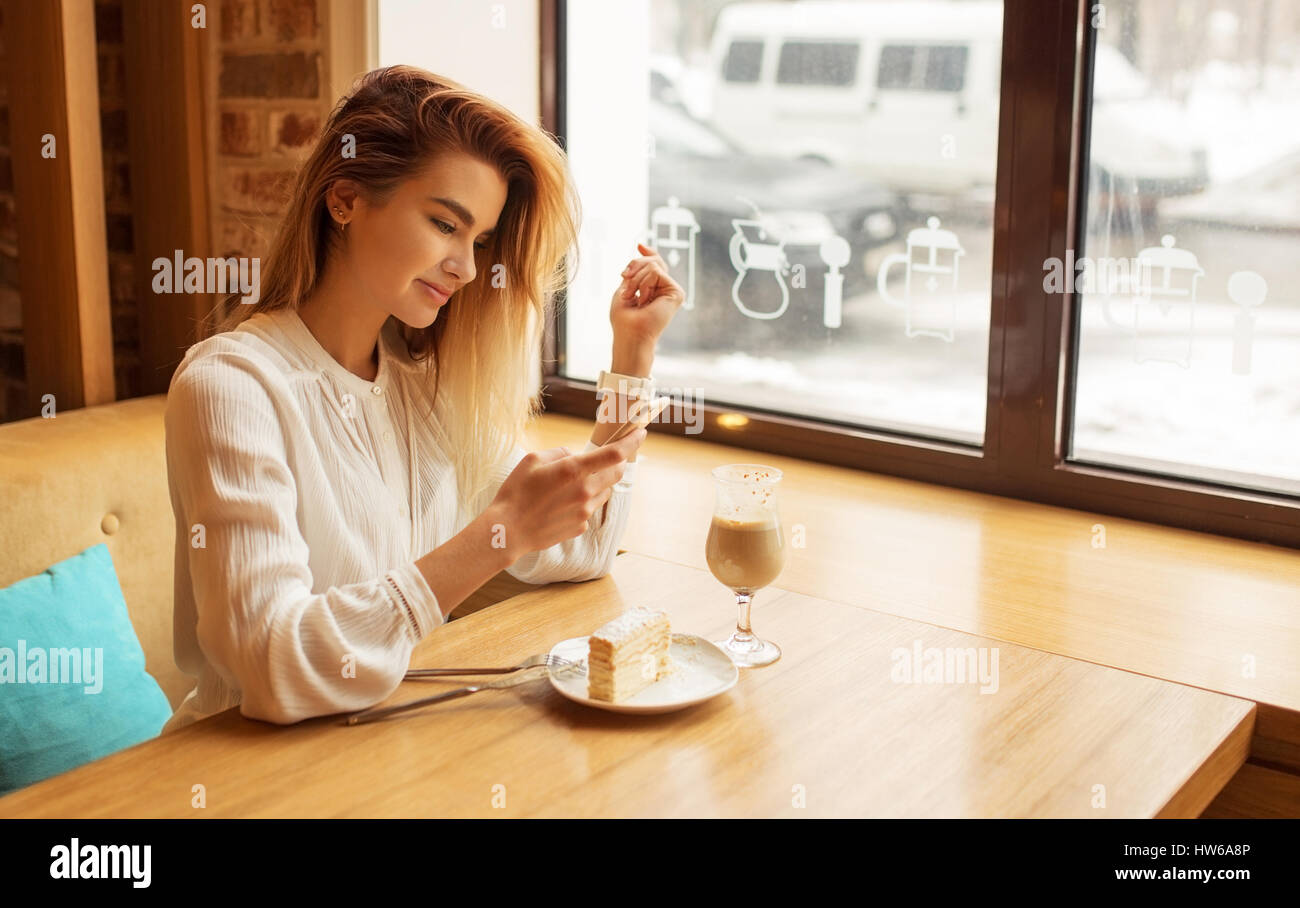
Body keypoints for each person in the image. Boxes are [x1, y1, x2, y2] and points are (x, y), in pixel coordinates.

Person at [161, 65, 684, 730]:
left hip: (383, 752)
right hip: (239, 772)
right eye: (445, 224)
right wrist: (497, 538)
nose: (466, 267)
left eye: (481, 241)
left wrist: (631, 354)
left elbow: (583, 550)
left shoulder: (424, 386)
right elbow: (271, 663)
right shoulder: (232, 388)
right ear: (345, 199)